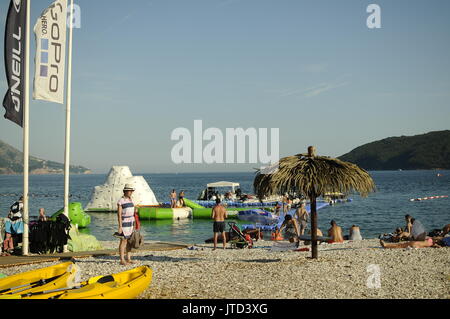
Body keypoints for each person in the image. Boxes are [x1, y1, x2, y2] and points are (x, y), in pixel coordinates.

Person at [116, 184, 137, 265]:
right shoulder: (121, 201)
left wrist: (135, 222)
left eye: (132, 191)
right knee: (123, 241)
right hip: (124, 222)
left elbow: (132, 211)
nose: (131, 192)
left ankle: (128, 258)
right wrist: (120, 226)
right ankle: (122, 260)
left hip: (131, 222)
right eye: (129, 191)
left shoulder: (130, 200)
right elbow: (119, 215)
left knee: (129, 241)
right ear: (125, 191)